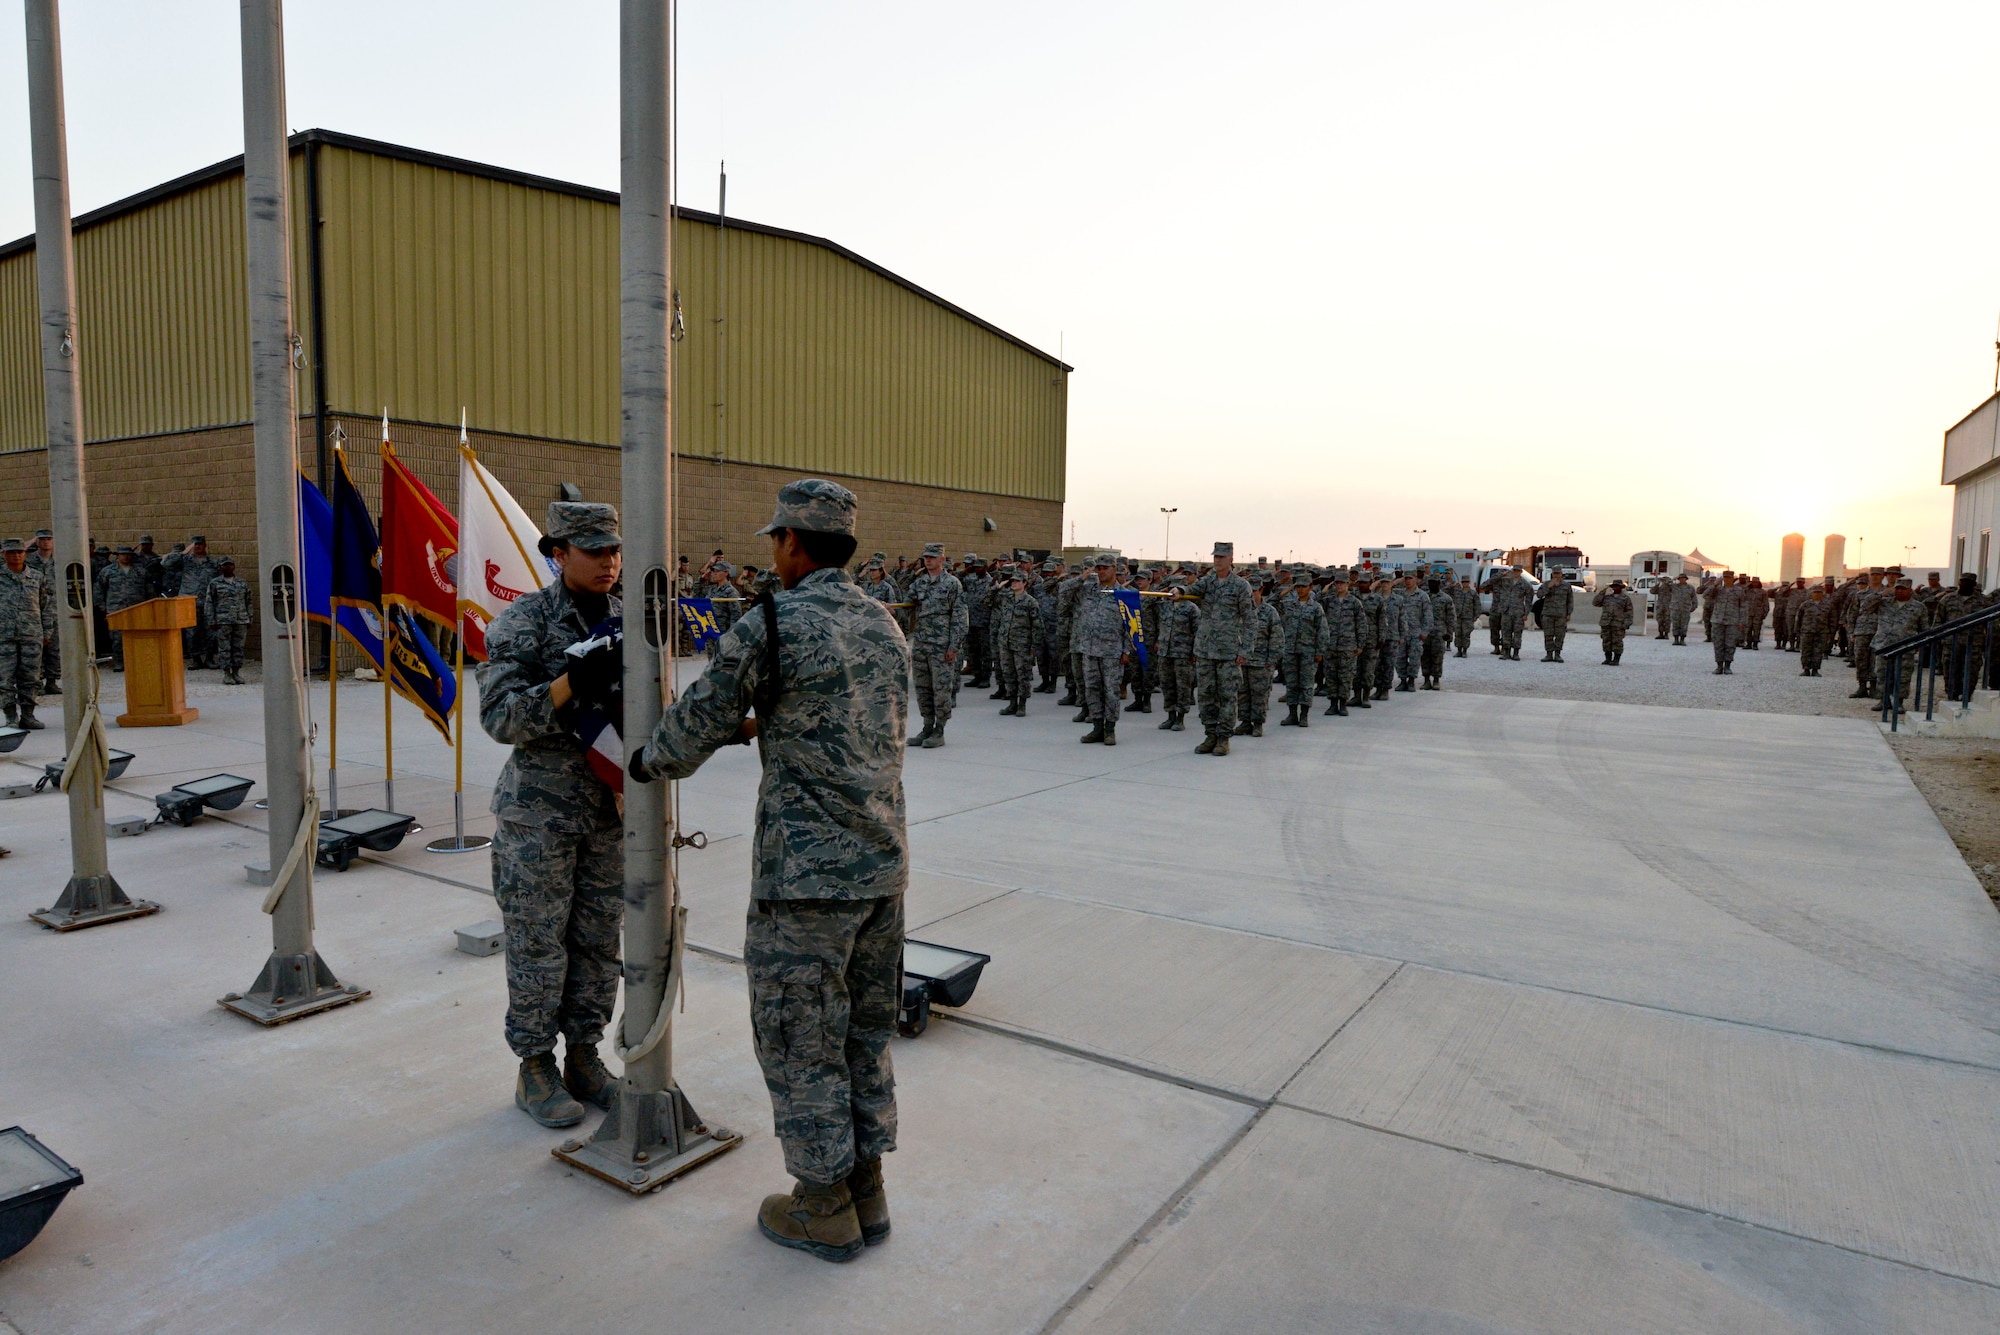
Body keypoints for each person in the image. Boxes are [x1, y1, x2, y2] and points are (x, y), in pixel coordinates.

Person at [628, 479, 908, 1264]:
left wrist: (648, 758)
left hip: (806, 881)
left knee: (800, 1039)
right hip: (882, 870)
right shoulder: (884, 622)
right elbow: (850, 721)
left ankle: (823, 1206)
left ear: (793, 541)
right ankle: (867, 1189)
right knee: (862, 1035)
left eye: (775, 540)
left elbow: (697, 723)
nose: (772, 553)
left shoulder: (772, 622)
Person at [476, 502, 628, 1131]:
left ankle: (585, 1057)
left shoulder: (630, 620)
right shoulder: (522, 622)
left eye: (614, 550)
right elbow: (501, 718)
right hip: (540, 815)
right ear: (558, 554)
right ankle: (535, 1065)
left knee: (597, 943)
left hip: (611, 810)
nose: (609, 563)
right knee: (539, 943)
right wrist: (570, 683)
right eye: (594, 551)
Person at [1188, 541, 1253, 755]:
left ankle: (1224, 738)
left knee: (1227, 696)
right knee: (1206, 695)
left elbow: (1251, 620)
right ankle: (1210, 735)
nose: (1217, 560)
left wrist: (1245, 650)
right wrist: (1178, 590)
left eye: (1222, 557)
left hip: (1228, 651)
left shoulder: (1241, 586)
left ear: (1231, 559)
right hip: (1205, 650)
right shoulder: (1208, 582)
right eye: (1215, 556)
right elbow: (1189, 590)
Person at [908, 542, 966, 747]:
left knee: (941, 689)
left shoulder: (952, 584)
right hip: (921, 644)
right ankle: (927, 726)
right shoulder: (919, 583)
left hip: (941, 646)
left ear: (942, 559)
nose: (928, 560)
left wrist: (954, 646)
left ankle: (939, 730)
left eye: (933, 557)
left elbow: (959, 617)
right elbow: (907, 604)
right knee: (923, 688)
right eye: (926, 557)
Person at [1075, 554, 1133, 744]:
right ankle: (1097, 727)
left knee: (1111, 691)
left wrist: (1126, 651)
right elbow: (1064, 592)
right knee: (1092, 689)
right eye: (1098, 568)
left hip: (1112, 652)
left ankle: (1110, 729)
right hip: (1089, 649)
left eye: (1104, 568)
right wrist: (1082, 577)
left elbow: (1129, 626)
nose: (1100, 572)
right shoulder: (1089, 590)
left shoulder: (1123, 594)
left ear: (1114, 570)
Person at [0, 538, 50, 729]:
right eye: (11, 552)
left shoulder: (36, 577)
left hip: (31, 635)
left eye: (20, 552)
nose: (16, 555)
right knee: (5, 678)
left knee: (31, 677)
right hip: (3, 637)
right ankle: (11, 717)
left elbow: (45, 606)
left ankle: (28, 715)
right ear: (3, 554)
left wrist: (47, 631)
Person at [1281, 578, 1331, 725]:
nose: (1300, 589)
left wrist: (1320, 651)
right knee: (1291, 683)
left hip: (1308, 652)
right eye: (1298, 587)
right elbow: (1274, 601)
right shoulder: (1290, 605)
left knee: (1307, 683)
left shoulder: (1316, 607)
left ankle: (1304, 715)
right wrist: (1289, 588)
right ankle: (1292, 714)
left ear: (1310, 587)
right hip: (1290, 650)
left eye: (1304, 587)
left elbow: (1322, 630)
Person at [1237, 578, 1282, 735]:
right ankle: (1244, 722)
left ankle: (1257, 723)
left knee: (1259, 694)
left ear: (1261, 590)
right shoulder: (1241, 611)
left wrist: (1272, 659)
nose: (1251, 595)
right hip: (1242, 660)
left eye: (1254, 591)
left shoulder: (1269, 612)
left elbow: (1276, 637)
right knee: (1242, 694)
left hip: (1262, 662)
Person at [95, 546, 151, 671]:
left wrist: (149, 607)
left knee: (138, 637)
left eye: (128, 554)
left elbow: (149, 591)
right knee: (117, 638)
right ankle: (119, 661)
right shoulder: (108, 571)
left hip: (137, 608)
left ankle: (137, 661)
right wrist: (102, 607)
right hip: (116, 609)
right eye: (123, 554)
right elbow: (98, 590)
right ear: (117, 556)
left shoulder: (141, 571)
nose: (126, 556)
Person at [997, 572, 1042, 717]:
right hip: (1006, 643)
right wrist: (998, 587)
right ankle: (1012, 703)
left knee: (1022, 675)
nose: (1014, 584)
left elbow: (1038, 626)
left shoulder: (1030, 602)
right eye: (1012, 581)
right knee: (1008, 674)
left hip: (1022, 644)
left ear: (1024, 583)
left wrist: (1034, 647)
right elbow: (985, 601)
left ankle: (1022, 704)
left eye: (1017, 581)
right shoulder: (1006, 598)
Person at [204, 557, 253, 684]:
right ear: (220, 567)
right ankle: (226, 674)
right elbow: (209, 602)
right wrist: (211, 620)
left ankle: (236, 672)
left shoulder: (242, 583)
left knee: (238, 647)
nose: (228, 567)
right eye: (225, 565)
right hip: (223, 620)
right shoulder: (215, 583)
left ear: (234, 567)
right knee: (224, 648)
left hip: (240, 619)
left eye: (230, 565)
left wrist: (249, 618)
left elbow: (249, 601)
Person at [26, 530, 58, 693]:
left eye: (49, 539)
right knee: (36, 648)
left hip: (56, 610)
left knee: (54, 648)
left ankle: (52, 681)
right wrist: (27, 544)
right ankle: (37, 682)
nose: (46, 542)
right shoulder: (29, 560)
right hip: (34, 609)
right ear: (36, 542)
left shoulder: (60, 561)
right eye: (42, 539)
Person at [1593, 580, 1634, 665]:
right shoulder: (1607, 597)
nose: (1615, 588)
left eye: (1617, 586)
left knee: (1617, 641)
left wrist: (1627, 623)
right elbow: (1595, 603)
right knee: (1606, 641)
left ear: (1621, 587)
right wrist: (1602, 592)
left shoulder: (1625, 598)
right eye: (1614, 586)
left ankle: (1616, 659)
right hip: (1606, 622)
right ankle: (1608, 658)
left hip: (1618, 623)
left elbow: (1629, 612)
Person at [1539, 569, 1574, 663]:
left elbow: (1570, 600)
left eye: (1558, 573)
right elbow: (1539, 595)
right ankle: (1549, 654)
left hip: (1561, 614)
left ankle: (1557, 654)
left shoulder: (1566, 586)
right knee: (1548, 635)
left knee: (1560, 635)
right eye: (1554, 573)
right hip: (1548, 613)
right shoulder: (1546, 584)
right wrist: (1549, 587)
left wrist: (1568, 613)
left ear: (1561, 574)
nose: (1556, 575)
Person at [1796, 583, 1831, 676]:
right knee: (1805, 650)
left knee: (1818, 651)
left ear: (1822, 593)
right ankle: (1806, 669)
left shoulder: (1827, 605)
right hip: (1807, 631)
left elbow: (1832, 619)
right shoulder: (1805, 605)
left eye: (1819, 592)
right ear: (1812, 593)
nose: (1817, 594)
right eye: (1815, 592)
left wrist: (1830, 632)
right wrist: (1798, 631)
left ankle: (1815, 669)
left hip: (1821, 631)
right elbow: (1799, 618)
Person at [1668, 573, 1698, 645]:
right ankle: (1676, 639)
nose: (1682, 579)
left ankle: (1682, 639)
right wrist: (1672, 579)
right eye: (1680, 578)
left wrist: (1693, 607)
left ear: (1686, 579)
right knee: (1675, 624)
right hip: (1675, 608)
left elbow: (1694, 598)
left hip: (1685, 609)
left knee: (1684, 625)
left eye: (1683, 578)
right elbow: (1666, 585)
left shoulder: (1690, 588)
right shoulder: (1674, 587)